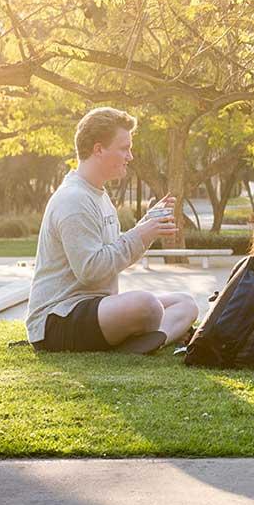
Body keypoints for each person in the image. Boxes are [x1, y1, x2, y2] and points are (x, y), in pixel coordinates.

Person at [26, 107, 199, 354]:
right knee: (147, 305)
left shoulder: (98, 195)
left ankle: (143, 343)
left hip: (97, 308)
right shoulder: (73, 199)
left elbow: (110, 252)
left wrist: (146, 227)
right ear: (99, 149)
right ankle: (146, 340)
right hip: (58, 319)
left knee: (186, 303)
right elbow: (91, 270)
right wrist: (141, 234)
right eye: (124, 148)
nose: (130, 156)